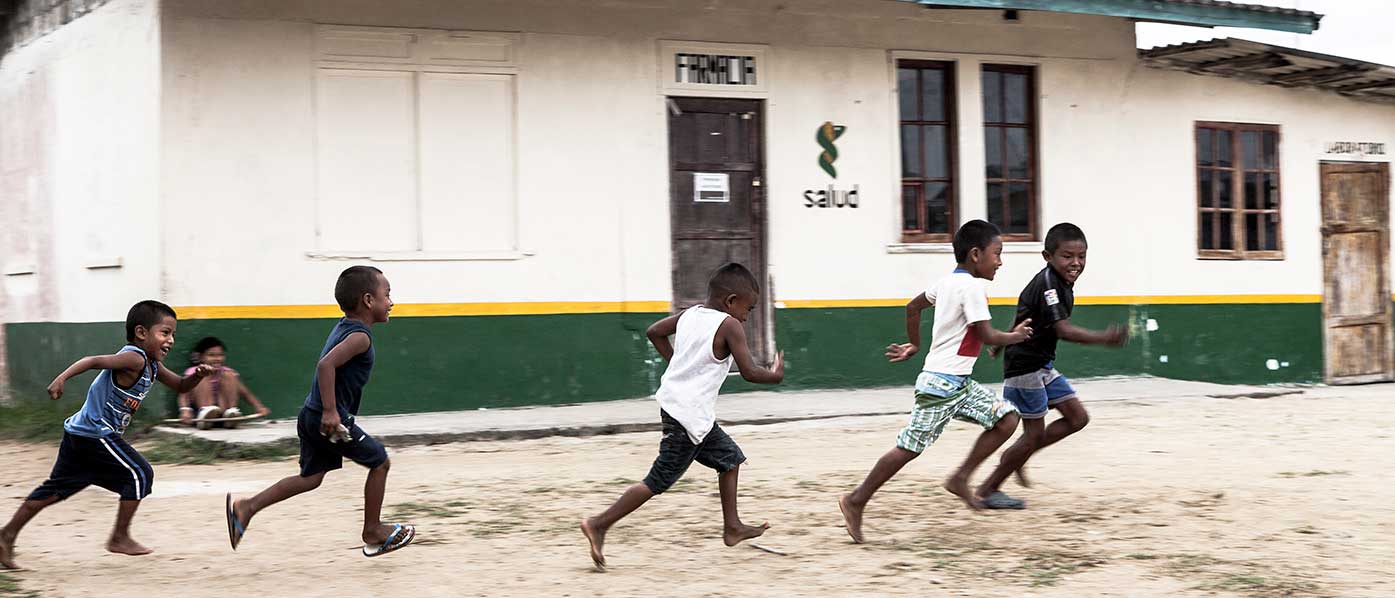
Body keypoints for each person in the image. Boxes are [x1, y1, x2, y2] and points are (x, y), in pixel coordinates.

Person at [838, 220, 1032, 543]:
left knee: (1007, 418)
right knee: (908, 448)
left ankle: (961, 477)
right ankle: (855, 500)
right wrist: (1016, 336)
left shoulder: (945, 283)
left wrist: (914, 344)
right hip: (941, 385)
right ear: (975, 255)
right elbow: (986, 334)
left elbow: (913, 307)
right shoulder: (971, 287)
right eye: (997, 253)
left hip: (958, 384)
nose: (1000, 261)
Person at [581, 263, 784, 571]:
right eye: (749, 308)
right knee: (658, 480)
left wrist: (678, 364)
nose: (747, 315)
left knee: (730, 459)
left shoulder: (690, 315)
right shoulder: (729, 325)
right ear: (730, 301)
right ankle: (599, 523)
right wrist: (776, 375)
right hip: (688, 417)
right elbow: (750, 372)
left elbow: (654, 332)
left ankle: (733, 527)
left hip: (686, 411)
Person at [0, 300, 215, 569]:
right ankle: (119, 537)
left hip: (79, 434)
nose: (170, 340)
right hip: (94, 433)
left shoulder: (151, 365)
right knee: (140, 474)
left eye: (173, 334)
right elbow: (92, 361)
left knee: (54, 491)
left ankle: (5, 536)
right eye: (165, 332)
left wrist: (198, 375)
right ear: (141, 333)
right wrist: (61, 379)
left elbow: (182, 386)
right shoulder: (134, 358)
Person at [225, 266, 415, 557]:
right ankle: (373, 530)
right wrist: (331, 412)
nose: (391, 301)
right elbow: (326, 365)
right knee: (380, 462)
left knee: (311, 478)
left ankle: (246, 507)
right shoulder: (360, 337)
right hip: (328, 418)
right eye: (387, 295)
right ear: (368, 300)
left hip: (312, 414)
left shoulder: (346, 326)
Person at [975, 223, 1128, 509]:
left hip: (1041, 365)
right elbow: (1063, 330)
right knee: (1032, 434)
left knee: (1077, 418)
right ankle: (987, 490)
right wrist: (1104, 338)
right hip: (1025, 368)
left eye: (1081, 256)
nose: (1076, 263)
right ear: (1048, 256)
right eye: (1067, 256)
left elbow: (1025, 316)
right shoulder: (1048, 285)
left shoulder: (1058, 282)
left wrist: (1001, 342)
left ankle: (1019, 455)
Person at [177, 336, 271, 428]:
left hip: (222, 410)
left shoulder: (226, 373)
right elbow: (184, 395)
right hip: (201, 413)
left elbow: (245, 393)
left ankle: (230, 414)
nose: (217, 359)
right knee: (201, 374)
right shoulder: (192, 371)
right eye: (211, 355)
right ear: (201, 357)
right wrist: (185, 410)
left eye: (220, 355)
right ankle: (206, 412)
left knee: (229, 375)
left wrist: (259, 407)